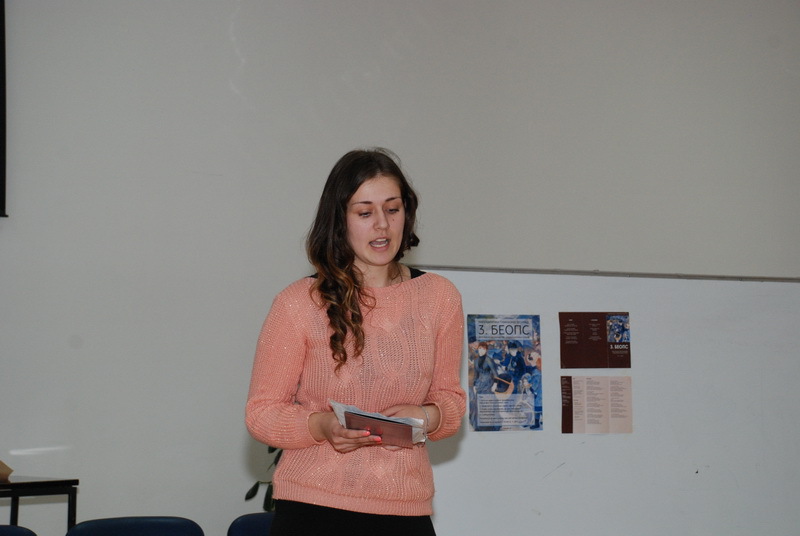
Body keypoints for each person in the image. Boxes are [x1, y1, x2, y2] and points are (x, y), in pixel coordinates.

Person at [246, 148, 466, 536]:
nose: (382, 225)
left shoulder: (439, 297)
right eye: (365, 213)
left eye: (392, 209)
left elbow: (450, 400)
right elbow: (261, 413)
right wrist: (322, 425)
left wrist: (426, 417)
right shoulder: (298, 303)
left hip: (405, 508)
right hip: (313, 509)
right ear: (340, 220)